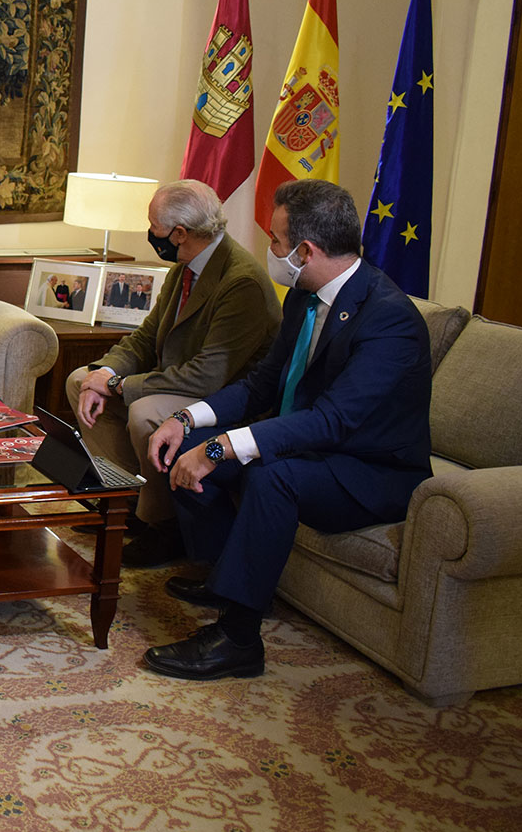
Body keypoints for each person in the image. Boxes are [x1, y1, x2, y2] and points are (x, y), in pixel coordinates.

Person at [142, 180, 432, 681]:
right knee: (183, 448)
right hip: (310, 443)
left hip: (368, 470)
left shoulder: (389, 320)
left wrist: (224, 447)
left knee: (269, 477)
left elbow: (333, 420)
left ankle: (238, 640)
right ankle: (223, 574)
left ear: (306, 250)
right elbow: (261, 385)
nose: (270, 252)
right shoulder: (305, 295)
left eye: (275, 242)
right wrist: (188, 420)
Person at [65, 179, 279, 567]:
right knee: (80, 380)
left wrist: (117, 385)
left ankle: (163, 526)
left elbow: (207, 376)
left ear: (180, 233)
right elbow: (147, 338)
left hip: (227, 398)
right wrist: (104, 371)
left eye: (154, 227)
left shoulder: (240, 281)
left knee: (145, 410)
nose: (150, 234)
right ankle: (125, 500)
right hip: (180, 381)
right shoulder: (186, 266)